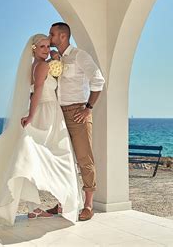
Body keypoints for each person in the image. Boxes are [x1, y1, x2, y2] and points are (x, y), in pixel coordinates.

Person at [0, 33, 83, 226]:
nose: (47, 50)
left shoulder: (35, 66)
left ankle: (34, 208)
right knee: (60, 156)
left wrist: (55, 57)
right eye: (43, 47)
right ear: (34, 50)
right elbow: (38, 91)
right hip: (46, 113)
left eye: (48, 46)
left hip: (45, 111)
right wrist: (31, 116)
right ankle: (68, 202)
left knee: (29, 158)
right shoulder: (43, 66)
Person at [47, 22, 105, 221]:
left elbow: (98, 80)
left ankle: (88, 205)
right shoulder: (55, 58)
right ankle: (64, 202)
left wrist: (88, 108)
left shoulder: (80, 56)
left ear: (62, 36)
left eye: (52, 34)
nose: (50, 37)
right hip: (58, 113)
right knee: (62, 159)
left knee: (84, 159)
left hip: (77, 113)